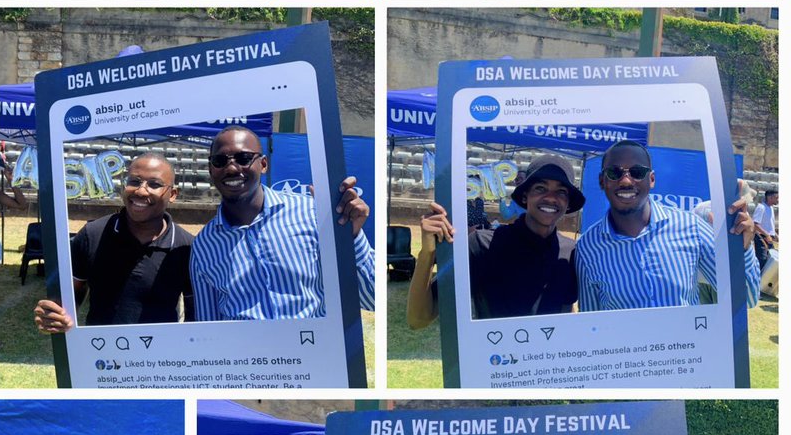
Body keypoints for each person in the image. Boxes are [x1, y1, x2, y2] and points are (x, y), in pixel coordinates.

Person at [189, 126, 375, 319]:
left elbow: (372, 297)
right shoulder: (204, 246)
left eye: (243, 158)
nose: (232, 168)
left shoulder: (312, 215)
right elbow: (210, 328)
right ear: (211, 170)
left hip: (313, 347)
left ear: (263, 164)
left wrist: (351, 237)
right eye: (220, 161)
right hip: (245, 349)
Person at [576, 141, 761, 310]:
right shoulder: (587, 248)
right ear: (602, 181)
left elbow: (746, 300)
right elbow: (592, 323)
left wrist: (742, 250)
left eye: (637, 172)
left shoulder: (692, 228)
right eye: (614, 173)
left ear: (652, 179)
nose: (626, 181)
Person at [406, 156, 583, 327]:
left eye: (561, 191)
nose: (551, 197)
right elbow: (418, 319)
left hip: (549, 357)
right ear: (524, 196)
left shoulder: (573, 253)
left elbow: (568, 311)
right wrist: (427, 254)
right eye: (540, 188)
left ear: (568, 203)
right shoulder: (480, 244)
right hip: (494, 357)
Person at [34, 153, 194, 331]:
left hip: (160, 356)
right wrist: (56, 314)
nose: (141, 191)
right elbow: (71, 294)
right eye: (134, 181)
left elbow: (195, 315)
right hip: (101, 353)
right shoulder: (93, 234)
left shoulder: (186, 247)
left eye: (154, 184)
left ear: (172, 194)